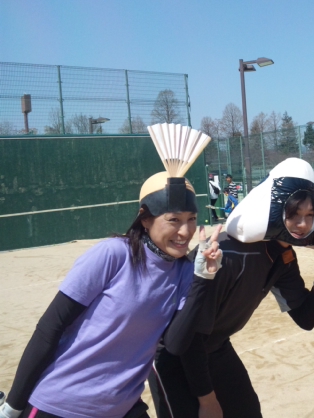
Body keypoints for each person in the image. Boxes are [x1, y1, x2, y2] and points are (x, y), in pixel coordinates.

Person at [0, 129, 222, 418]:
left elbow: (177, 344)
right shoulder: (113, 255)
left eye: (191, 219)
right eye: (173, 220)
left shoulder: (184, 272)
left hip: (123, 407)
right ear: (145, 219)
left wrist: (203, 279)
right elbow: (50, 327)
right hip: (62, 405)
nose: (185, 231)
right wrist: (13, 407)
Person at [148, 158, 314, 418]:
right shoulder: (227, 255)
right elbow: (189, 337)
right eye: (294, 214)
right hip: (176, 355)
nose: (303, 224)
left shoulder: (282, 255)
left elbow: (305, 319)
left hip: (216, 347)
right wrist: (207, 400)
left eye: (309, 215)